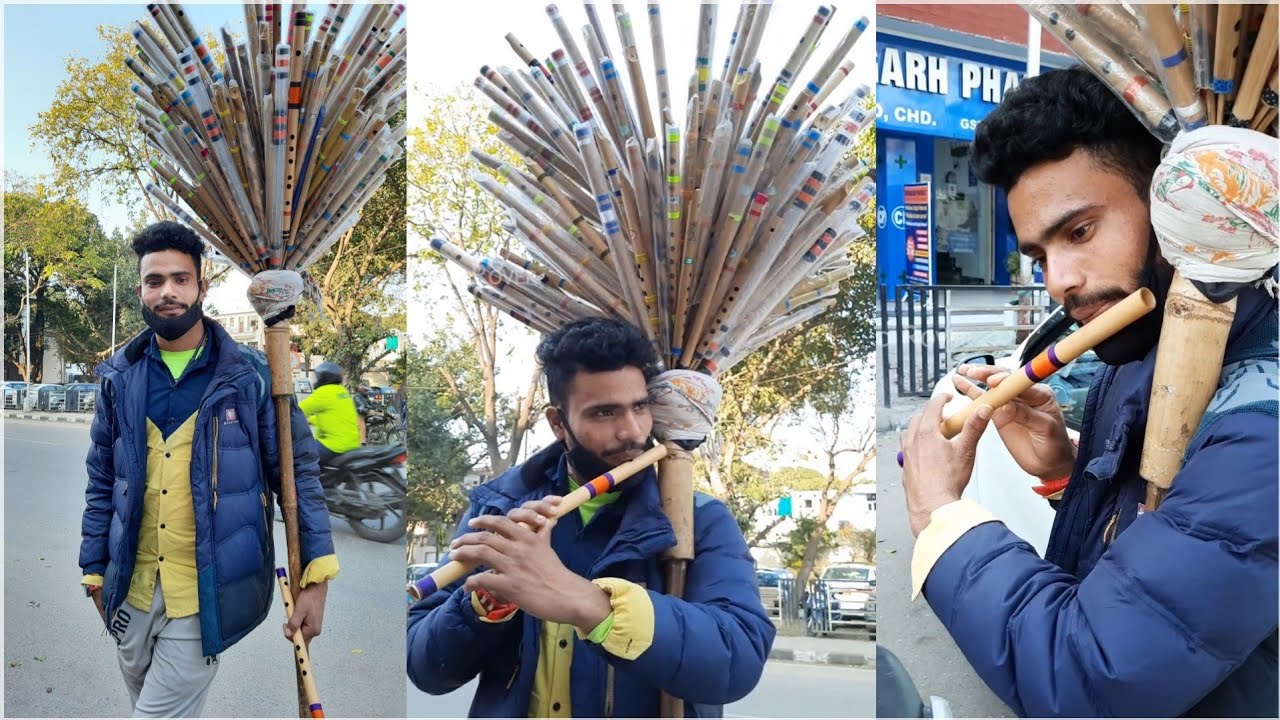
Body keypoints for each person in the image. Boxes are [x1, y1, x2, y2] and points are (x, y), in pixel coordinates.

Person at [898, 66, 1278, 718]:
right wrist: (1061, 473)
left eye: (1079, 232)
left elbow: (1091, 678)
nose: (1059, 282)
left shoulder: (1264, 431)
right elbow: (1143, 563)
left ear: (1180, 209)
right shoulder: (1137, 356)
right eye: (1040, 256)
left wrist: (942, 515)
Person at [406, 316, 775, 717]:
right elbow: (427, 669)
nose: (632, 432)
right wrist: (487, 600)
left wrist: (588, 603)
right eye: (604, 414)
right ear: (558, 423)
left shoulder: (700, 519)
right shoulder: (498, 509)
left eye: (640, 407)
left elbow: (737, 659)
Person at [79, 222, 339, 718]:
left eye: (181, 279)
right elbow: (101, 482)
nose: (168, 291)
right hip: (128, 591)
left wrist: (316, 580)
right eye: (155, 281)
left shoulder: (248, 376)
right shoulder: (120, 379)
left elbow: (298, 475)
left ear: (201, 286)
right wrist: (94, 570)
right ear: (140, 291)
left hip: (204, 593)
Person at [299, 362, 362, 467]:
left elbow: (298, 410)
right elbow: (334, 417)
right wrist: (310, 420)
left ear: (323, 377)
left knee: (300, 452)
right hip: (353, 443)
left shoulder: (323, 392)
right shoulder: (342, 391)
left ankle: (309, 482)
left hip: (334, 445)